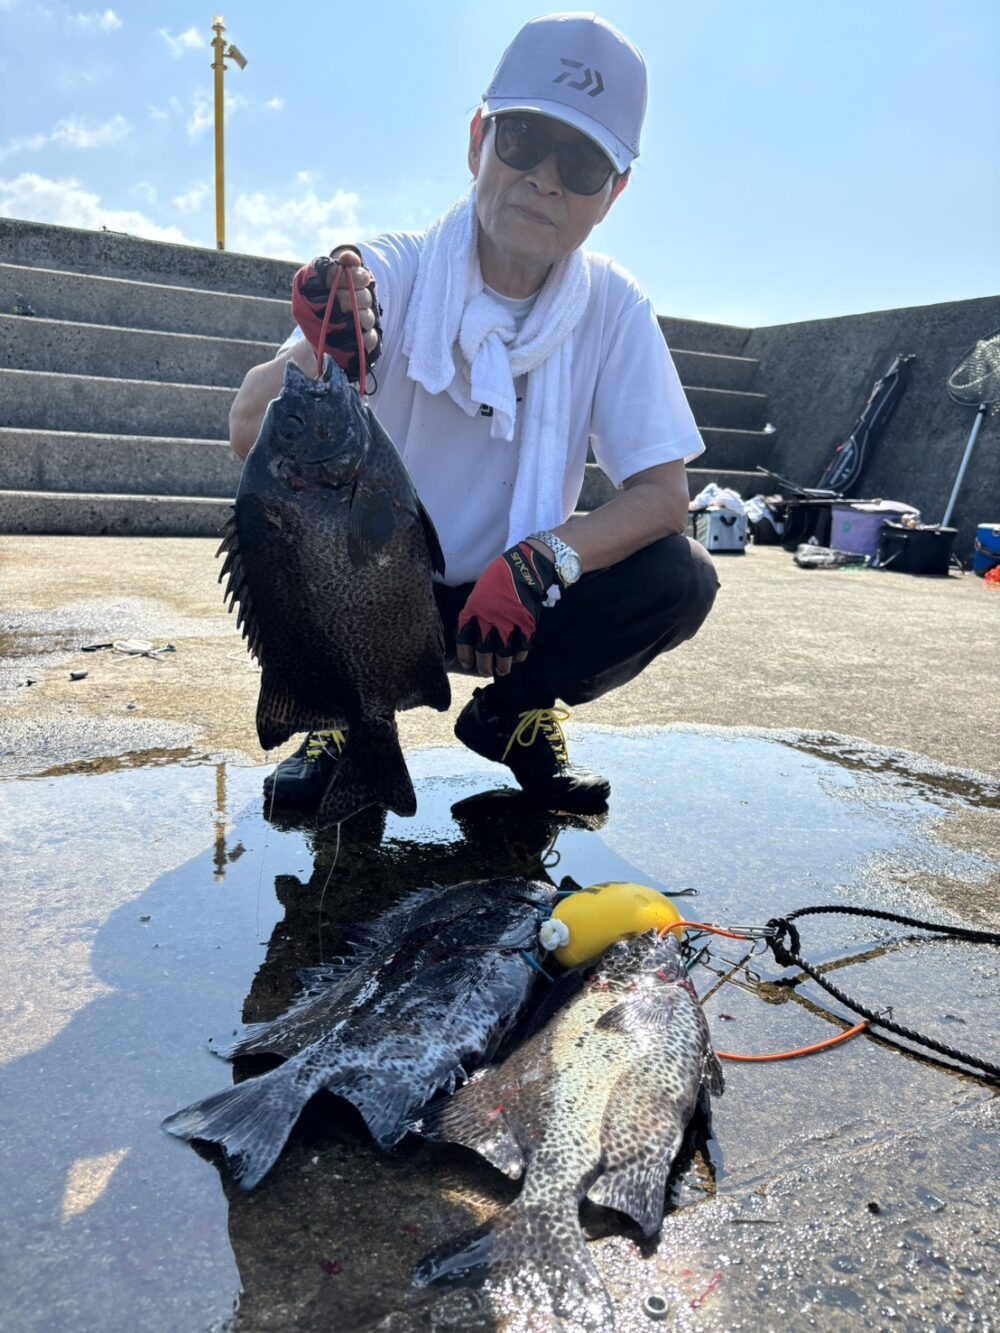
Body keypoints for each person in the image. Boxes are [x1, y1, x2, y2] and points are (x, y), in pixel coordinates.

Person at [229, 13, 719, 816]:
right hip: (379, 583)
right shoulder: (392, 268)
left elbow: (666, 498)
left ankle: (514, 714)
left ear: (615, 192)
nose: (546, 178)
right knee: (286, 532)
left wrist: (537, 564)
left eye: (584, 161)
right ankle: (340, 719)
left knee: (680, 577)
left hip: (514, 608)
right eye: (524, 139)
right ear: (476, 142)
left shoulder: (617, 308)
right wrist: (317, 350)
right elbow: (249, 429)